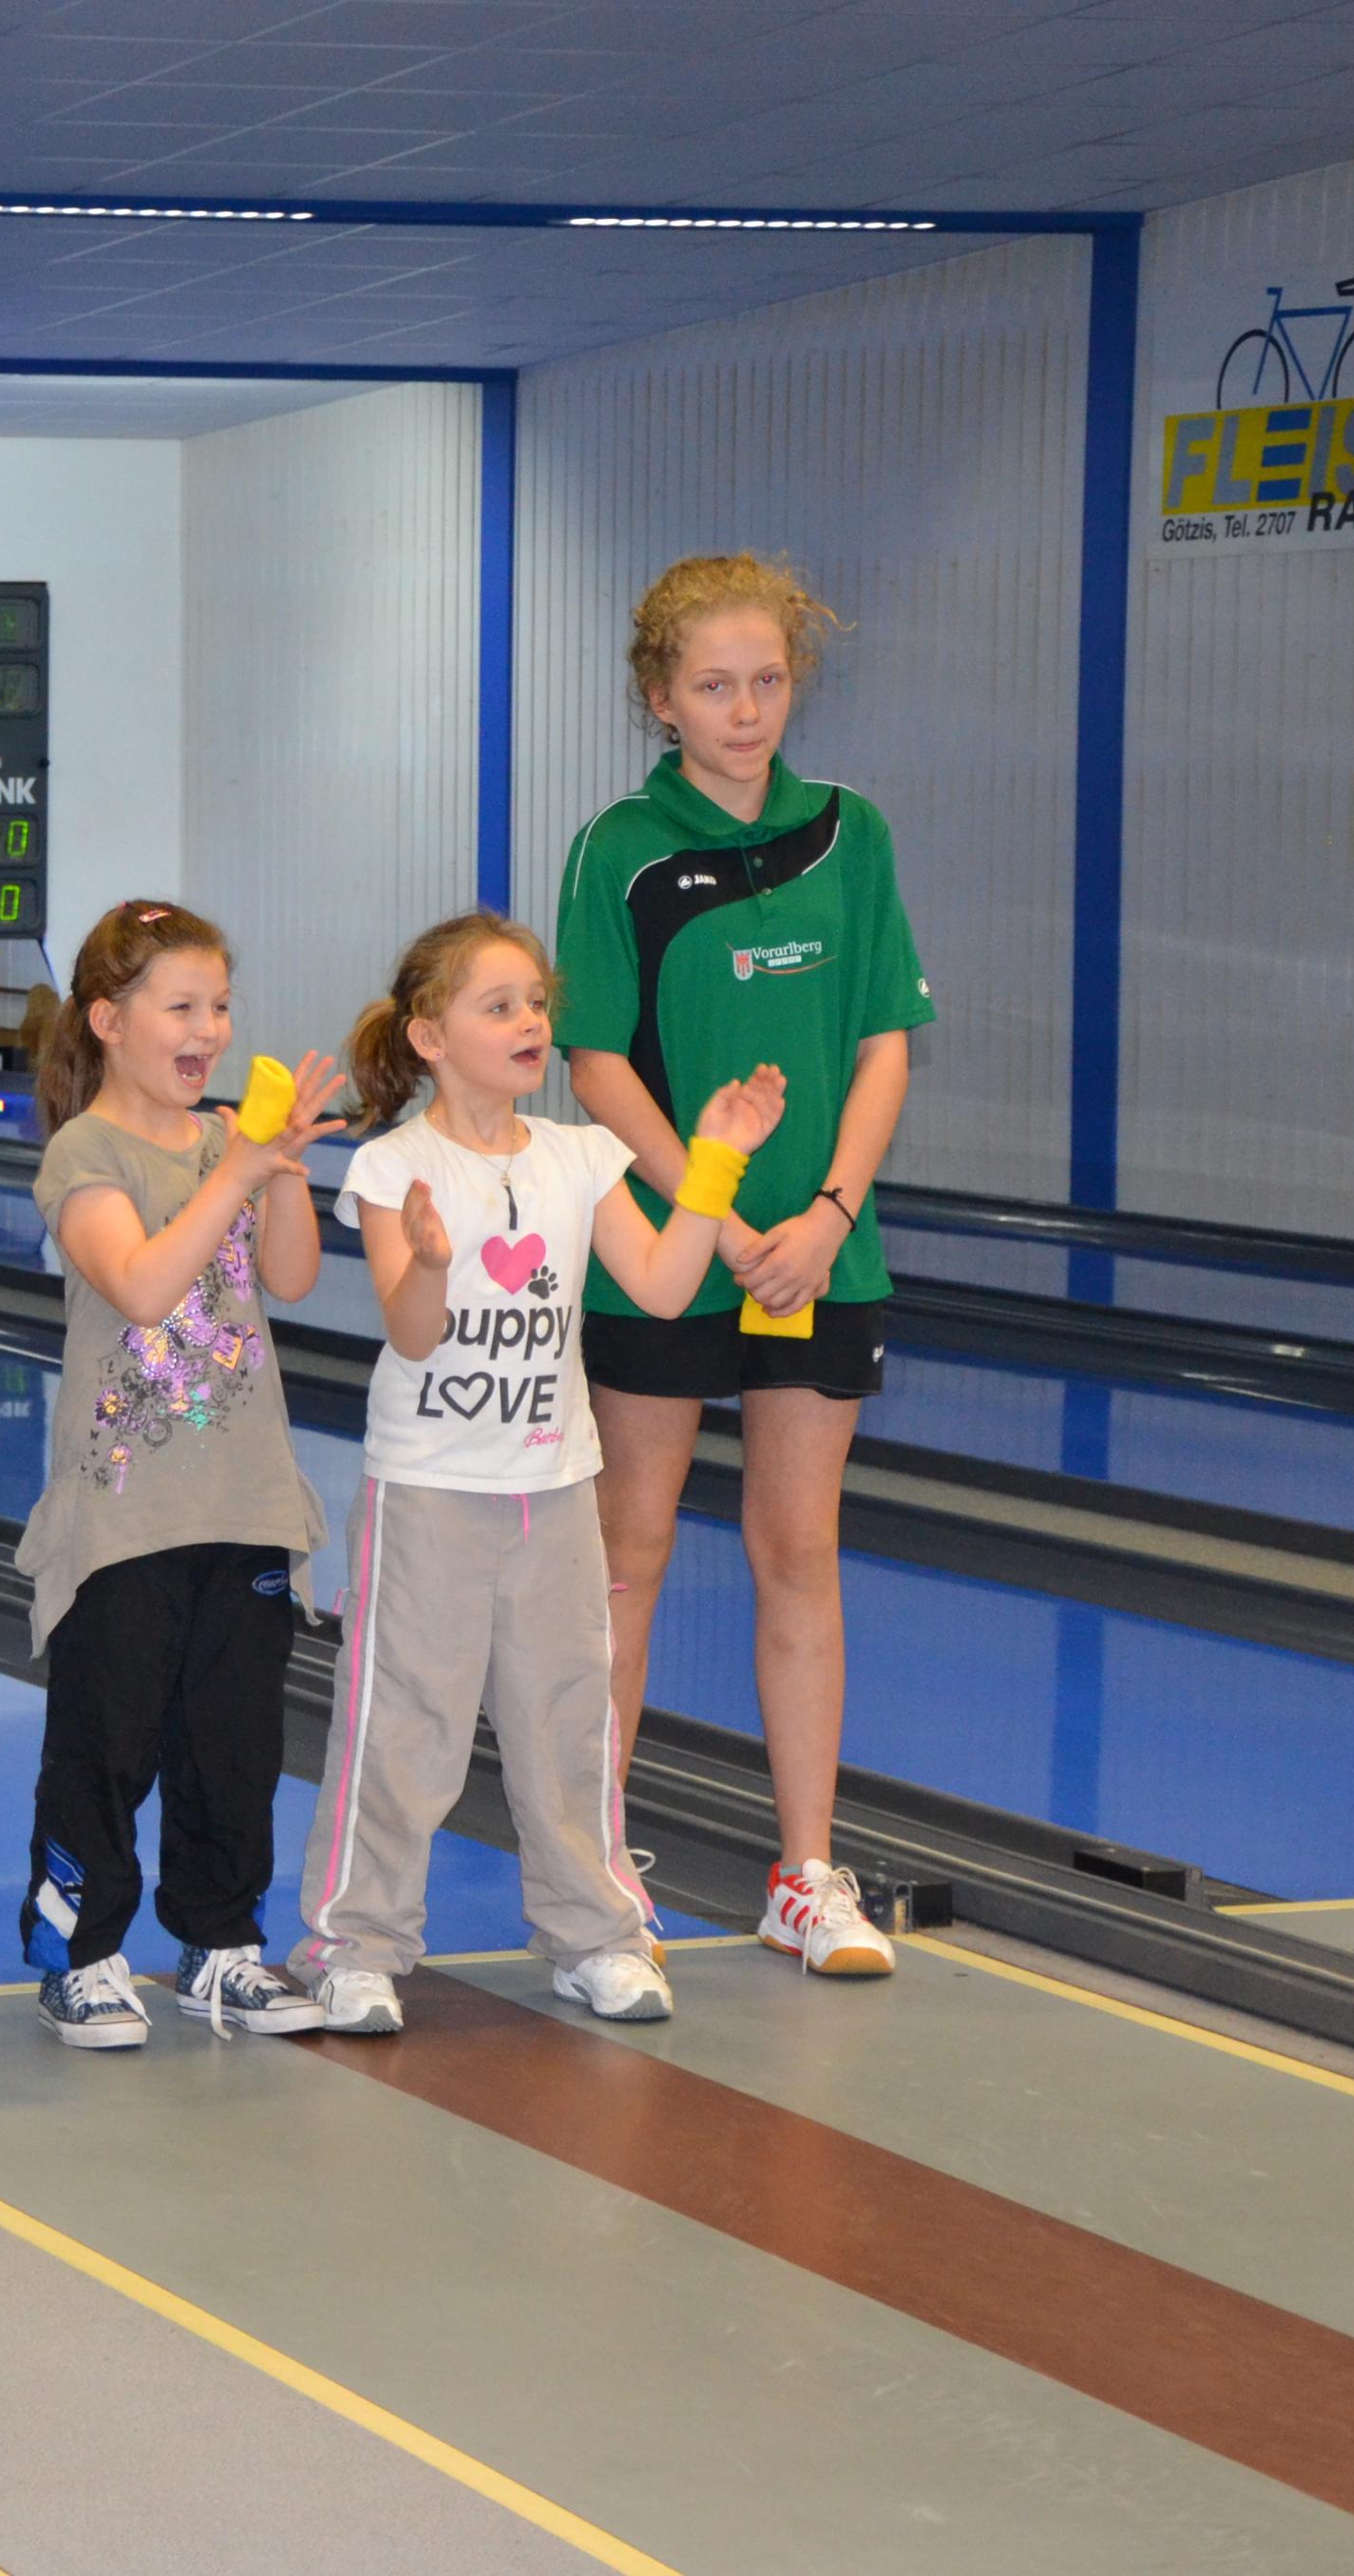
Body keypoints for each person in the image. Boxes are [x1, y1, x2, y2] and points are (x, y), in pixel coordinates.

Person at [297, 912, 786, 2033]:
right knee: (401, 1728)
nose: (529, 1022)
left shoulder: (579, 1155)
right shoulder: (394, 1167)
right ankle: (353, 1946)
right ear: (429, 1037)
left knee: (569, 1725)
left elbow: (662, 1286)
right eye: (498, 1006)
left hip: (557, 1489)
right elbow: (412, 1334)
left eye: (534, 1003)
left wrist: (713, 1162)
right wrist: (429, 1262)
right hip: (429, 1491)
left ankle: (594, 1937)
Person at [553, 554, 934, 1977]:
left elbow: (883, 1041)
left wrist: (829, 1213)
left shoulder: (852, 834)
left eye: (768, 680)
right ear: (660, 698)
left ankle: (807, 1876)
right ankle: (598, 1878)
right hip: (667, 1244)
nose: (746, 709)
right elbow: (595, 1062)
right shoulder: (620, 849)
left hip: (822, 1251)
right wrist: (709, 1211)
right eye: (714, 685)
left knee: (798, 1550)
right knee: (628, 1556)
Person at [13, 899, 345, 2049]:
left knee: (234, 1748)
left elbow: (290, 1277)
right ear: (109, 1021)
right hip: (122, 1517)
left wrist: (280, 1169)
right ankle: (79, 1955)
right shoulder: (84, 1153)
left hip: (245, 1501)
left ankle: (221, 1943)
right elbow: (144, 1285)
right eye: (182, 1007)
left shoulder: (226, 1146)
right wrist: (234, 1169)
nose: (209, 1030)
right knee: (103, 1746)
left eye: (220, 1006)